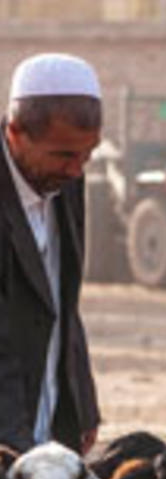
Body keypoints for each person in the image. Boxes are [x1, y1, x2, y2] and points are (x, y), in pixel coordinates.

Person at [0, 53, 103, 453]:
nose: (77, 169)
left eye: (88, 154)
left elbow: (63, 299)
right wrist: (16, 449)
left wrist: (81, 402)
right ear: (15, 133)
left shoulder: (67, 180)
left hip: (44, 411)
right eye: (64, 155)